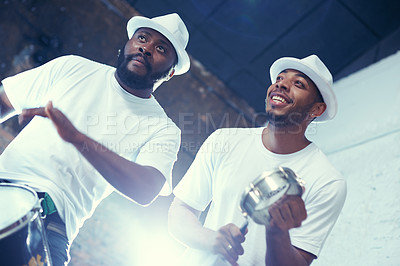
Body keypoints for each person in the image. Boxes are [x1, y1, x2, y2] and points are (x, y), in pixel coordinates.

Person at [0, 13, 190, 265]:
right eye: (142, 38)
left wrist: (76, 138)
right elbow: (4, 101)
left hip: (53, 221)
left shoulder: (163, 129)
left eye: (160, 49)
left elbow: (147, 190)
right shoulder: (72, 67)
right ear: (128, 43)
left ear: (171, 72)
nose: (146, 48)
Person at [168, 55, 347, 266]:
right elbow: (181, 211)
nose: (281, 84)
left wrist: (277, 233)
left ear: (317, 109)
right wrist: (211, 239)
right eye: (280, 78)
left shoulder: (327, 181)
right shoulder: (224, 140)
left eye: (298, 83)